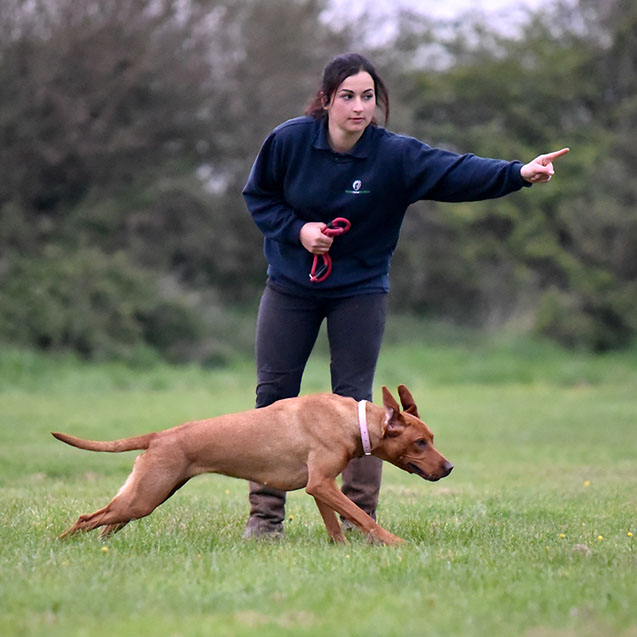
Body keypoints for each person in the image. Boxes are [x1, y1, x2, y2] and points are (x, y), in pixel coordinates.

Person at [241, 52, 569, 538]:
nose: (359, 106)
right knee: (273, 398)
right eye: (347, 96)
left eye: (368, 96)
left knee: (359, 408)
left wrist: (518, 174)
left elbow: (455, 171)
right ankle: (265, 519)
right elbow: (259, 197)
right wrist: (299, 231)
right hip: (290, 286)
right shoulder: (288, 141)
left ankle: (360, 519)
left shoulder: (393, 155)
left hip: (360, 289)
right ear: (326, 99)